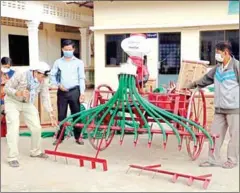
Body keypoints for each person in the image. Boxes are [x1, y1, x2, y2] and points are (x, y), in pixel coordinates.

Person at [187, 41, 239, 169]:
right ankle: (213, 159)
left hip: (234, 109)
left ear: (225, 53)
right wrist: (192, 85)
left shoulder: (236, 66)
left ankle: (232, 160)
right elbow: (206, 79)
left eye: (218, 53)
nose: (216, 55)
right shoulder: (217, 68)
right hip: (219, 108)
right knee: (215, 135)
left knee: (235, 136)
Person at [4, 62, 58, 167]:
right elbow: (6, 88)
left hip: (27, 103)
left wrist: (51, 113)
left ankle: (35, 151)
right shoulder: (21, 74)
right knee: (13, 128)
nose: (43, 79)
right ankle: (12, 157)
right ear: (36, 72)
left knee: (37, 127)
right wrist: (17, 93)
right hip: (12, 102)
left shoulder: (43, 81)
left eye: (45, 77)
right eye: (42, 76)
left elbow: (45, 96)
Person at [50, 39, 86, 145]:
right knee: (62, 115)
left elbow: (81, 78)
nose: (68, 51)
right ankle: (60, 137)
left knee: (77, 115)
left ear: (73, 49)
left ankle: (78, 137)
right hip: (62, 92)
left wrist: (82, 93)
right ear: (62, 49)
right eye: (66, 49)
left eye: (70, 49)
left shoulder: (79, 62)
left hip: (75, 91)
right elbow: (52, 75)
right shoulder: (58, 62)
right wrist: (58, 85)